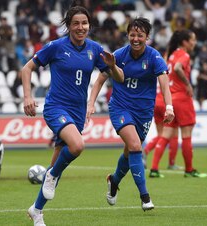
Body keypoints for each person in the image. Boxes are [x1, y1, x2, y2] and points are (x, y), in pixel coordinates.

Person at [21, 5, 124, 226]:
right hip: (56, 107)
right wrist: (28, 97)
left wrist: (113, 67)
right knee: (77, 146)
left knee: (57, 162)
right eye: (75, 23)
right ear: (68, 26)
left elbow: (119, 77)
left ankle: (36, 210)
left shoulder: (96, 49)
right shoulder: (56, 47)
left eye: (84, 23)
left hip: (77, 113)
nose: (80, 27)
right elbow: (26, 69)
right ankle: (51, 176)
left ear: (89, 25)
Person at [87, 17, 174, 211]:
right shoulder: (118, 55)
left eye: (140, 35)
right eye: (132, 34)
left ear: (147, 37)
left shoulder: (154, 57)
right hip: (121, 107)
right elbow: (100, 80)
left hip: (143, 112)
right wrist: (91, 103)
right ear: (127, 35)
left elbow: (164, 83)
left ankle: (114, 180)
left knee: (129, 152)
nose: (135, 39)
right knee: (136, 145)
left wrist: (169, 107)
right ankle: (145, 197)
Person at [150, 29, 207, 178]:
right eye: (192, 40)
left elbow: (172, 68)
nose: (194, 43)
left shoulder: (171, 55)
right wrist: (188, 84)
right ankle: (189, 170)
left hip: (171, 100)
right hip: (182, 99)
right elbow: (178, 68)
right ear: (184, 42)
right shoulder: (185, 55)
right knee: (187, 135)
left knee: (165, 135)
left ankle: (154, 169)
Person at [143, 88, 181, 171]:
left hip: (155, 103)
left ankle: (145, 151)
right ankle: (171, 163)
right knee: (173, 132)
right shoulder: (169, 76)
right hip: (166, 104)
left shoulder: (158, 75)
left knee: (161, 135)